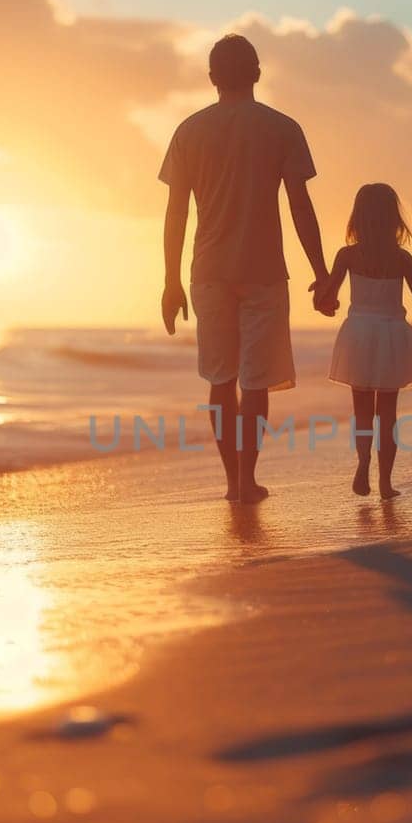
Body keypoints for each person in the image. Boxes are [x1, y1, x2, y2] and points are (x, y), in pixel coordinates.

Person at [159, 34, 328, 504]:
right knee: (255, 382)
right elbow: (300, 207)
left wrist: (171, 281)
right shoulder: (282, 127)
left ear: (212, 78)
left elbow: (177, 214)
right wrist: (323, 272)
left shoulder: (189, 131)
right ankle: (247, 480)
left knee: (221, 379)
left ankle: (233, 481)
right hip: (265, 270)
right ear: (257, 72)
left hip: (208, 271)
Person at [316, 183, 412, 499]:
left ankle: (363, 462)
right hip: (392, 333)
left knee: (362, 411)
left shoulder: (348, 255)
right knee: (388, 414)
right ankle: (385, 483)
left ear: (358, 217)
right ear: (393, 218)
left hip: (359, 334)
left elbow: (329, 297)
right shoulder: (401, 258)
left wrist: (325, 299)